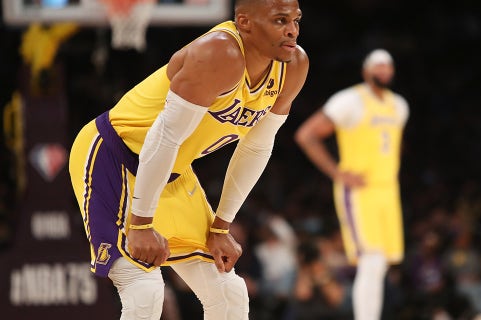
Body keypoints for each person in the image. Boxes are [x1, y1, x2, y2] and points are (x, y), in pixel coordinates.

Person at [67, 0, 308, 318]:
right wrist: (141, 222)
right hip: (114, 156)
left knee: (229, 292)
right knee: (145, 290)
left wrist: (221, 228)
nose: (292, 30)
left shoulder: (293, 65)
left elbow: (257, 147)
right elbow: (164, 137)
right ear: (245, 22)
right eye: (280, 20)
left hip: (172, 170)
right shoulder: (219, 53)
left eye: (295, 20)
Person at [294, 48, 409, 320]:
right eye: (377, 66)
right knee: (371, 261)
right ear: (366, 71)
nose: (383, 71)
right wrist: (337, 173)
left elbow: (392, 144)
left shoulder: (400, 106)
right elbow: (306, 135)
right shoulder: (349, 101)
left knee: (381, 264)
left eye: (387, 66)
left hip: (388, 190)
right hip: (359, 190)